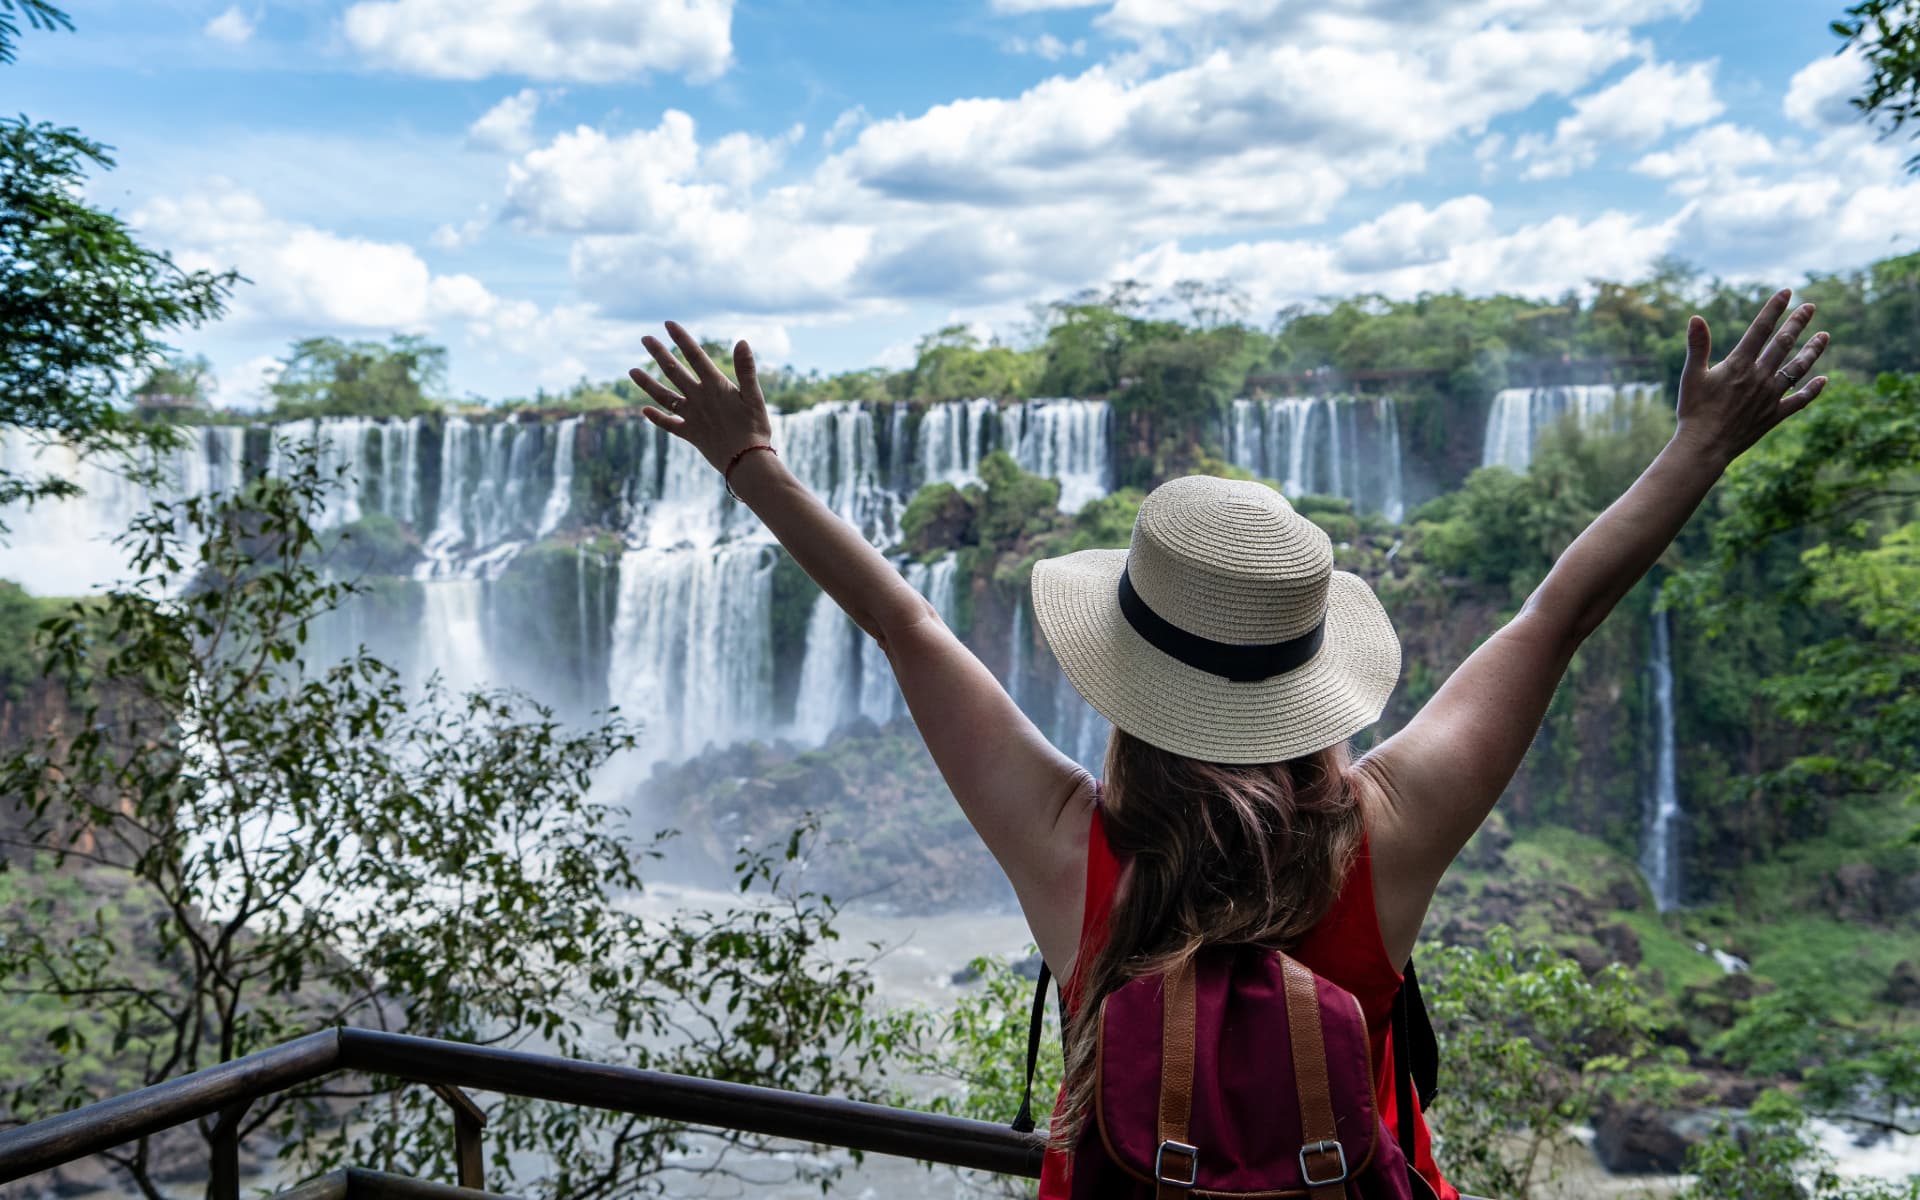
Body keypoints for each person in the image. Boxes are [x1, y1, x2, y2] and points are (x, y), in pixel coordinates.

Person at [627, 290, 1830, 1197]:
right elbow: (1554, 616)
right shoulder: (1384, 839)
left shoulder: (1068, 857)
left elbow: (905, 625)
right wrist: (1700, 448)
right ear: (1310, 679)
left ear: (1128, 678)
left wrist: (751, 462)